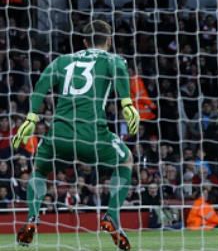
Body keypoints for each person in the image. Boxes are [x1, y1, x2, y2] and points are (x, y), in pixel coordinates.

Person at [12, 20, 140, 250]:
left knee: (39, 170)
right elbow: (120, 69)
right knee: (126, 160)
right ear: (109, 41)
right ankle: (111, 216)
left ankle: (32, 217)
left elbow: (41, 83)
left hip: (58, 135)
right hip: (92, 135)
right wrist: (127, 103)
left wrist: (31, 117)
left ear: (84, 41)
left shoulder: (62, 61)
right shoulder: (111, 59)